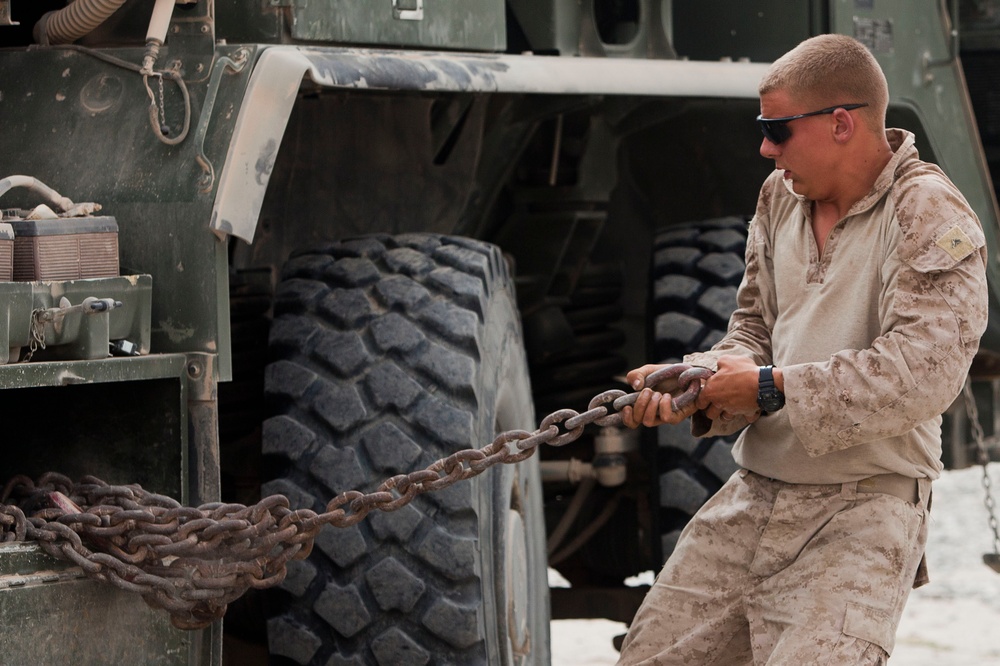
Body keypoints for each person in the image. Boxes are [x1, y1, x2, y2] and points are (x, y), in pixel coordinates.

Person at [616, 33, 989, 665]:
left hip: (862, 510)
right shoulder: (776, 199)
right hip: (755, 493)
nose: (764, 148)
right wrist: (699, 379)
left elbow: (925, 372)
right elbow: (753, 330)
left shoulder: (927, 211)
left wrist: (768, 386)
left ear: (841, 123)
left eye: (777, 129)